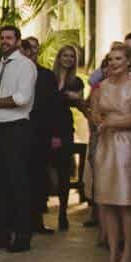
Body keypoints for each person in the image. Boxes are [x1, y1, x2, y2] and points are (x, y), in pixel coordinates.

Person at [90, 42, 131, 262]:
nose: (114, 63)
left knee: (126, 203)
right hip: (105, 144)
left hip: (127, 145)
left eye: (118, 59)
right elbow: (96, 112)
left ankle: (128, 256)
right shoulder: (102, 86)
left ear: (128, 61)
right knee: (107, 202)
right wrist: (97, 119)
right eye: (111, 59)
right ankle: (113, 252)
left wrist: (112, 122)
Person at [0, 25, 38, 252]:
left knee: (18, 183)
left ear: (17, 41)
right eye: (2, 38)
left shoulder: (26, 65)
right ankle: (3, 233)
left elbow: (22, 98)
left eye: (9, 38)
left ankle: (23, 236)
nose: (4, 41)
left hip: (17, 128)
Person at [20, 35, 64, 235]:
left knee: (39, 178)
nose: (31, 52)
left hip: (41, 133)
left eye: (34, 48)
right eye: (27, 49)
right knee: (20, 178)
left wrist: (56, 133)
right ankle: (18, 221)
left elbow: (55, 107)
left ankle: (36, 220)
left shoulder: (46, 75)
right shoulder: (17, 74)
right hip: (19, 132)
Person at [49, 44, 86, 232]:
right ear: (59, 57)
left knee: (64, 170)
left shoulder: (76, 81)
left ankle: (63, 213)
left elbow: (80, 101)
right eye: (65, 55)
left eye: (72, 56)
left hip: (64, 126)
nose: (69, 58)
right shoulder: (49, 77)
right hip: (46, 127)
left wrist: (76, 98)